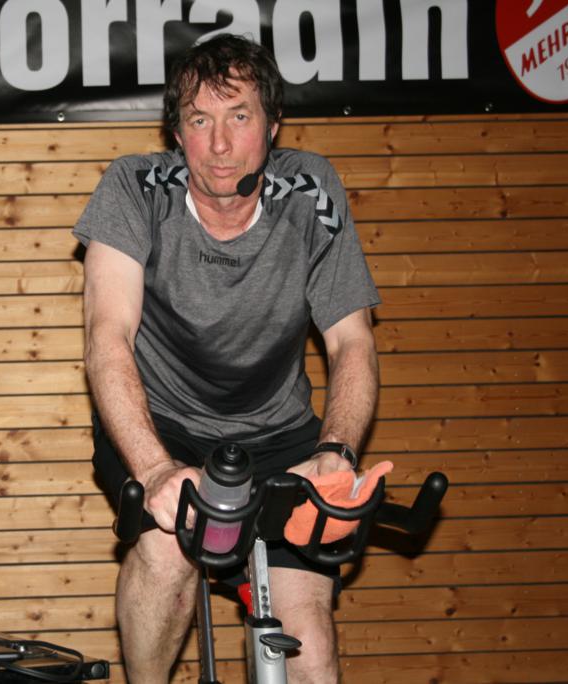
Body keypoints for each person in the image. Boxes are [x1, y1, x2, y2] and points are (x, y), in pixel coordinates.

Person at [72, 33, 380, 683]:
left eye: (239, 116)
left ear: (273, 125)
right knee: (165, 552)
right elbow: (106, 337)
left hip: (278, 433)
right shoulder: (134, 188)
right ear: (175, 133)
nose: (219, 144)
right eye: (198, 120)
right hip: (162, 425)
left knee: (308, 642)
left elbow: (351, 341)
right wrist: (156, 469)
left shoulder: (311, 191)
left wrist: (337, 450)